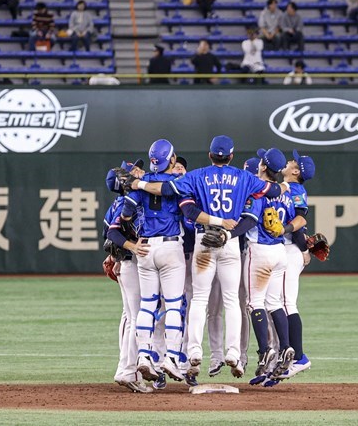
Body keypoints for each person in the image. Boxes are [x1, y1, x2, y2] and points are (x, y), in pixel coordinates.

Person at [122, 135, 291, 383]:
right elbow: (273, 189)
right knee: (232, 300)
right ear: (231, 156)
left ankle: (193, 352)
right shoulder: (245, 177)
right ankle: (233, 353)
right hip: (230, 241)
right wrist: (284, 187)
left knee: (198, 300)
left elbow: (173, 194)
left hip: (204, 241)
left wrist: (138, 185)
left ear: (210, 155)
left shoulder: (197, 175)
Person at [109, 140, 189, 385]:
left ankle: (144, 354)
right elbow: (187, 212)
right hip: (170, 245)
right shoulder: (177, 181)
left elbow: (125, 215)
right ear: (172, 158)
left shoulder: (136, 187)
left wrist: (136, 188)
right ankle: (172, 358)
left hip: (145, 248)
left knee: (146, 305)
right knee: (174, 305)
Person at [243, 148, 296, 386]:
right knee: (275, 303)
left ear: (263, 167)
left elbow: (250, 217)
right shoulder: (285, 192)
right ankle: (285, 347)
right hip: (280, 251)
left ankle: (265, 350)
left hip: (260, 249)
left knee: (255, 302)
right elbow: (293, 214)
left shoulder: (257, 189)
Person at [269, 150, 317, 386]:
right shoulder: (284, 187)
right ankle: (285, 354)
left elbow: (299, 224)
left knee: (287, 303)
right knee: (278, 302)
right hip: (283, 250)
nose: (288, 162)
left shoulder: (296, 190)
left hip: (290, 250)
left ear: (296, 171)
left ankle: (298, 357)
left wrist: (305, 250)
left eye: (292, 162)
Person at [103, 160, 151, 393]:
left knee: (130, 316)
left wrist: (115, 256)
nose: (139, 171)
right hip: (131, 264)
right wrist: (131, 246)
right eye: (133, 170)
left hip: (126, 263)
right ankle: (126, 370)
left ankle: (127, 369)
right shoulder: (125, 201)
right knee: (136, 318)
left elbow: (108, 236)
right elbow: (112, 233)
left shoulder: (120, 201)